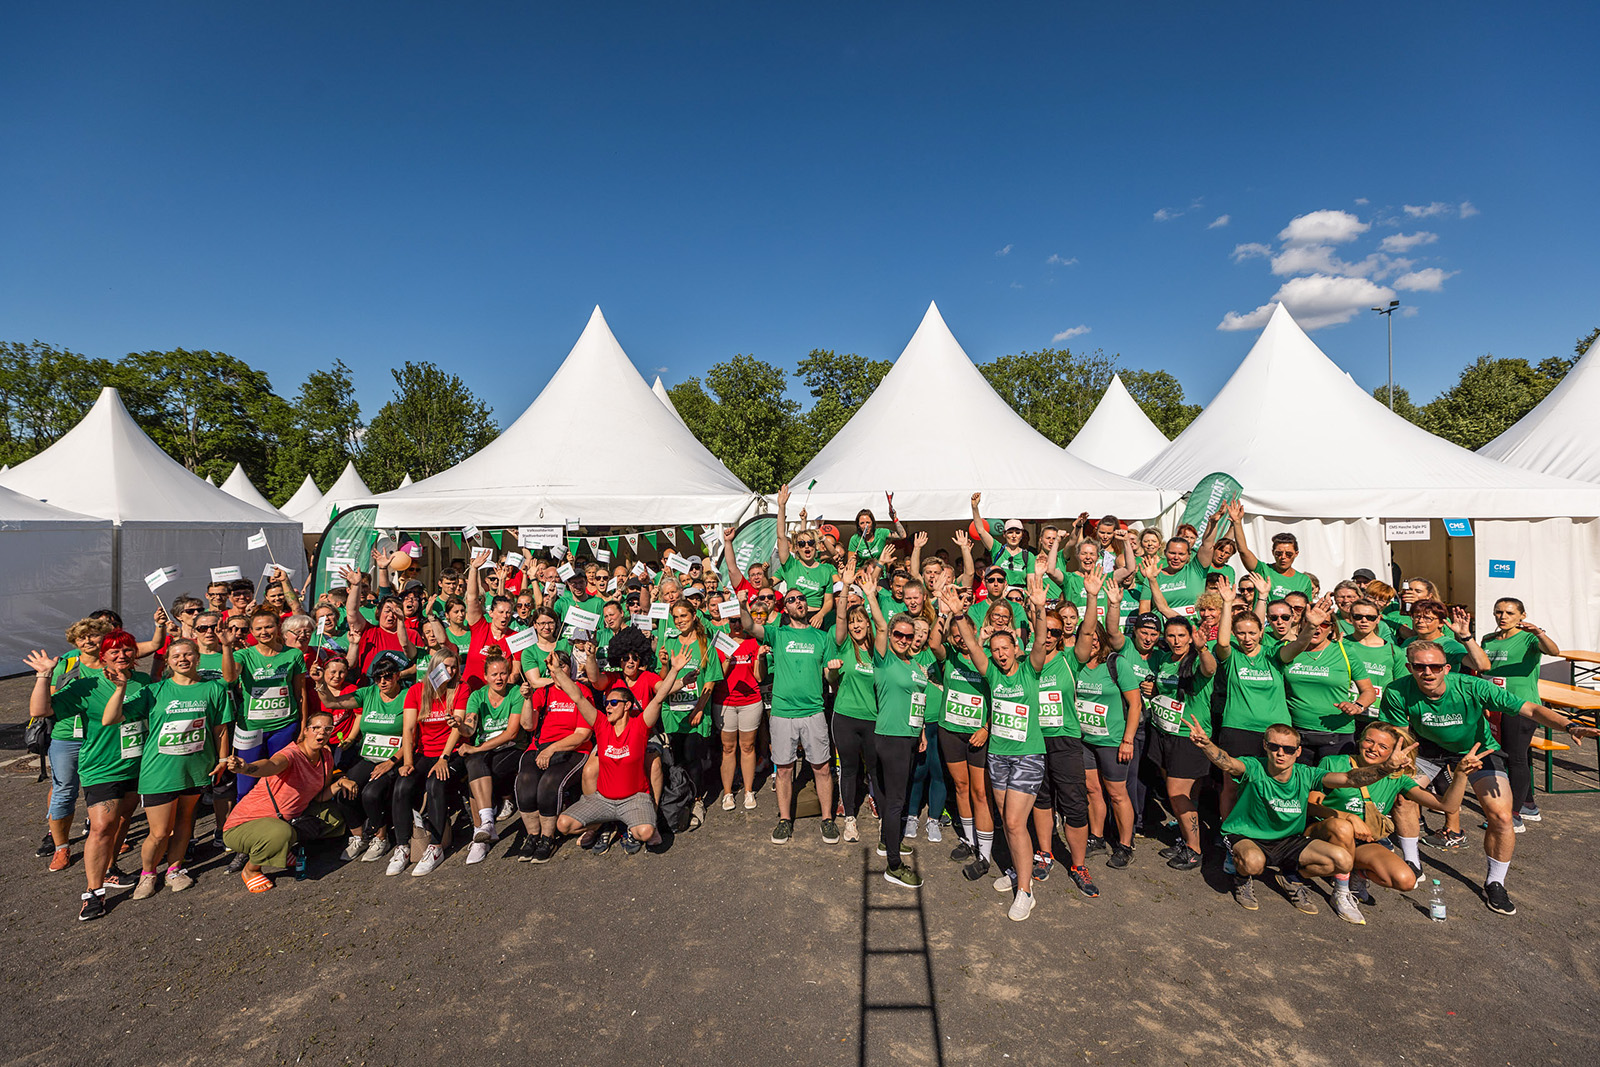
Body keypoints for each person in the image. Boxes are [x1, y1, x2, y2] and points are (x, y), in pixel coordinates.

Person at [1378, 640, 1598, 915]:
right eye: (1420, 667)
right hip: (1427, 750)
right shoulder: (1397, 691)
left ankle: (1495, 881)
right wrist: (1397, 769)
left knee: (1502, 817)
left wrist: (1569, 724)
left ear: (1446, 668)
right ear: (1410, 668)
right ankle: (1412, 862)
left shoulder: (1471, 686)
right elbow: (1402, 736)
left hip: (1477, 751)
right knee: (1402, 798)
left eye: (1435, 666)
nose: (1428, 673)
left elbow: (1529, 709)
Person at [1187, 715, 1413, 923]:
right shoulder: (1254, 766)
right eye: (1274, 746)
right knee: (1253, 863)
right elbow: (1227, 762)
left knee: (1343, 861)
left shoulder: (1306, 774)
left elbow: (1349, 779)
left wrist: (1386, 768)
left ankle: (1291, 876)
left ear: (1297, 751)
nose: (1280, 753)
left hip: (1288, 839)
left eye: (1287, 748)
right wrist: (1207, 745)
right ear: (1265, 746)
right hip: (1248, 835)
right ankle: (1242, 878)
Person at [938, 582, 1046, 921]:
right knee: (1008, 822)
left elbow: (1041, 641)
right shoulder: (992, 676)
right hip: (998, 756)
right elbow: (970, 643)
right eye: (995, 649)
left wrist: (1040, 610)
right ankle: (1017, 871)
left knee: (1014, 823)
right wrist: (959, 613)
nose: (999, 654)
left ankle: (1025, 892)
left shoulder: (1030, 669)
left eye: (1005, 648)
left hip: (1028, 756)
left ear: (1016, 648)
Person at [26, 631, 148, 921]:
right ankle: (93, 893)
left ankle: (111, 869)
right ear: (102, 655)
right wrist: (44, 676)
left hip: (137, 765)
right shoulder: (88, 685)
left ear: (136, 654)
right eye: (114, 651)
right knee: (101, 826)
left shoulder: (145, 683)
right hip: (102, 767)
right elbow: (40, 710)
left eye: (128, 650)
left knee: (122, 820)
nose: (122, 656)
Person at [1306, 722, 1483, 905]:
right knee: (1342, 827)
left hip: (1359, 843)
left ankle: (1356, 875)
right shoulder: (1334, 762)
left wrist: (1462, 774)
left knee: (1406, 880)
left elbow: (1447, 805)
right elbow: (1311, 806)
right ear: (1360, 741)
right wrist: (1348, 817)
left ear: (1393, 752)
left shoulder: (1397, 778)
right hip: (1322, 835)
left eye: (1383, 746)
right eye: (1369, 741)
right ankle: (1341, 893)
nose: (1373, 749)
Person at [112, 638, 233, 899]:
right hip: (160, 772)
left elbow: (220, 728)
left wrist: (222, 760)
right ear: (167, 661)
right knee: (159, 831)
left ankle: (175, 869)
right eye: (176, 655)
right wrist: (120, 688)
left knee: (184, 823)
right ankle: (148, 873)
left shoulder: (214, 688)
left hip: (198, 769)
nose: (183, 659)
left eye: (188, 654)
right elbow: (115, 717)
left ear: (197, 658)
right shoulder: (154, 691)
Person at [554, 648, 692, 852]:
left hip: (634, 799)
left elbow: (659, 697)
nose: (607, 707)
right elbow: (578, 698)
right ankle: (601, 824)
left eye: (613, 703)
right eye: (606, 703)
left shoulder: (640, 726)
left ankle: (632, 826)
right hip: (603, 800)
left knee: (645, 832)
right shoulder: (601, 724)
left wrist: (674, 670)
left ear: (627, 706)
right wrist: (557, 671)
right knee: (563, 825)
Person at [738, 576, 838, 845]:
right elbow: (749, 625)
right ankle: (784, 819)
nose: (798, 602)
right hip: (782, 712)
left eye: (802, 598)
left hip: (814, 710)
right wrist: (742, 606)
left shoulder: (821, 636)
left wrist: (834, 671)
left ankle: (827, 819)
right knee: (783, 769)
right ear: (786, 609)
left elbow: (829, 677)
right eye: (792, 599)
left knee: (822, 767)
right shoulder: (778, 633)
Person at [221, 711, 357, 893]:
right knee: (281, 833)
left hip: (285, 819)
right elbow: (271, 765)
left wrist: (340, 782)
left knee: (334, 818)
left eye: (327, 729)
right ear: (306, 731)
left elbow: (319, 796)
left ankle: (281, 850)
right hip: (243, 825)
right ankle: (251, 869)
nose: (321, 733)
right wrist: (246, 767)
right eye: (316, 728)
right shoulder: (291, 754)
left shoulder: (325, 754)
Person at [854, 567, 930, 888]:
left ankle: (889, 841)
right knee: (897, 799)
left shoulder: (916, 665)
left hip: (909, 737)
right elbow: (881, 627)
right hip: (890, 738)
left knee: (893, 796)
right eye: (898, 635)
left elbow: (918, 702)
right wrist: (872, 596)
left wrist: (922, 732)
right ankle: (894, 865)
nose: (901, 639)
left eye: (907, 636)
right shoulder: (885, 660)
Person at [1022, 576, 1097, 898]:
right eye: (1045, 630)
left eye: (1056, 631)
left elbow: (1089, 632)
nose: (1050, 636)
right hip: (1034, 740)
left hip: (1065, 740)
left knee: (1074, 805)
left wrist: (1092, 597)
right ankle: (1045, 852)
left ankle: (1078, 865)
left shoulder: (1071, 660)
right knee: (1041, 799)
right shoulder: (1028, 663)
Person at [1067, 569, 1141, 870]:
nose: (1093, 643)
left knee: (1117, 793)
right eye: (1089, 638)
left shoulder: (1117, 664)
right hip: (1086, 740)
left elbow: (1135, 705)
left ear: (1103, 640)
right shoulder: (1076, 664)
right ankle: (1096, 836)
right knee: (1093, 790)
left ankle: (1125, 843)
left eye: (1097, 638)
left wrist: (1127, 740)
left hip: (1113, 741)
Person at [313, 651, 410, 864]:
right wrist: (320, 683)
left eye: (388, 676)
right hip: (368, 756)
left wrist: (391, 762)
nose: (383, 682)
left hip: (394, 758)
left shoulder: (407, 696)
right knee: (344, 791)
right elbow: (332, 703)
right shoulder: (368, 693)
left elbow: (413, 736)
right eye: (378, 678)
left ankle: (381, 837)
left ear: (397, 676)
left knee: (371, 794)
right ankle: (358, 836)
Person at [32, 616, 113, 871]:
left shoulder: (115, 662)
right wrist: (45, 675)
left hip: (102, 736)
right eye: (82, 637)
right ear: (74, 641)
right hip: (67, 735)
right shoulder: (65, 663)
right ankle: (60, 847)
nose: (88, 640)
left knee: (103, 789)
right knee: (64, 792)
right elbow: (48, 705)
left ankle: (106, 835)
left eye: (93, 635)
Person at [929, 577, 996, 879]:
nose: (958, 639)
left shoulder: (988, 660)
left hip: (978, 735)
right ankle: (969, 840)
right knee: (961, 788)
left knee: (981, 793)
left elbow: (1004, 696)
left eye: (962, 633)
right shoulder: (951, 657)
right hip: (950, 730)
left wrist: (987, 726)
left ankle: (986, 851)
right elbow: (933, 643)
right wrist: (944, 613)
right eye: (954, 635)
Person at [1142, 616, 1217, 871]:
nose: (1176, 641)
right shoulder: (1165, 659)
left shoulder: (1197, 659)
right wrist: (1154, 691)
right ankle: (1186, 840)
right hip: (1164, 732)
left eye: (1181, 636)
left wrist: (1202, 648)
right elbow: (1166, 690)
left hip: (1190, 736)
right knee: (1188, 795)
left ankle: (1195, 850)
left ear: (1190, 636)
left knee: (1176, 793)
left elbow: (1210, 670)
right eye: (1171, 636)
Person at [513, 643, 596, 863]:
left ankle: (547, 838)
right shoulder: (544, 691)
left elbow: (582, 735)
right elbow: (528, 726)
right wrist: (528, 699)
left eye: (562, 666)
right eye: (553, 668)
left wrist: (552, 749)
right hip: (540, 746)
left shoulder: (582, 692)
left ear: (570, 669)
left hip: (571, 749)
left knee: (549, 782)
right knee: (526, 780)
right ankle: (532, 835)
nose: (558, 672)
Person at [1481, 598, 1561, 826]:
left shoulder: (1529, 638)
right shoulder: (1488, 639)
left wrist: (1539, 633)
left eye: (1509, 612)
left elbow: (1554, 651)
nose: (1502, 617)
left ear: (1522, 616)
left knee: (1514, 758)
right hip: (1496, 706)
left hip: (1522, 707)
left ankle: (1513, 816)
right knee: (1517, 756)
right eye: (1498, 612)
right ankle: (1528, 805)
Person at [226, 609, 307, 816]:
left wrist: (303, 726)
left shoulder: (294, 654)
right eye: (258, 628)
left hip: (284, 727)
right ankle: (243, 827)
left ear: (278, 627)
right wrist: (226, 646)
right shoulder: (243, 655)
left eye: (269, 626)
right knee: (245, 782)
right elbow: (229, 678)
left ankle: (278, 822)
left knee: (280, 779)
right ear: (251, 631)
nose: (264, 632)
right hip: (250, 729)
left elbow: (301, 694)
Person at [1277, 597, 1377, 763]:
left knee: (1333, 785)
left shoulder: (1345, 651)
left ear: (1331, 629)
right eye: (1312, 624)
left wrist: (1357, 706)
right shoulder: (1288, 649)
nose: (1317, 629)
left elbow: (1368, 691)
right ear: (1302, 624)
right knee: (1300, 784)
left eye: (1324, 624)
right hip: (1296, 732)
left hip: (1338, 732)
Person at [454, 651, 526, 862]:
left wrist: (477, 748)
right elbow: (469, 727)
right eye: (494, 674)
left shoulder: (515, 693)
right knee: (474, 766)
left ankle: (481, 834)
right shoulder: (477, 696)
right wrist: (461, 726)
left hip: (511, 748)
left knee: (476, 773)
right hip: (485, 750)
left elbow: (511, 733)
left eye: (503, 673)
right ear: (486, 676)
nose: (499, 678)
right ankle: (486, 826)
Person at [659, 602, 723, 828]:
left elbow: (711, 680)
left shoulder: (706, 644)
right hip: (672, 713)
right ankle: (679, 798)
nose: (679, 621)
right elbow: (663, 680)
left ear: (694, 615)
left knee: (692, 757)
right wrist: (666, 664)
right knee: (676, 760)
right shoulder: (670, 642)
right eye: (675, 617)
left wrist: (698, 709)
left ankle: (697, 801)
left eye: (683, 615)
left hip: (695, 712)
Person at [829, 590, 880, 843]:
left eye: (860, 620)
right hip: (845, 717)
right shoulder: (845, 644)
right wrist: (846, 585)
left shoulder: (878, 651)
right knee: (848, 769)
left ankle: (883, 818)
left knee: (875, 768)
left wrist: (870, 596)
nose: (855, 625)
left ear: (867, 623)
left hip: (873, 719)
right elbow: (839, 618)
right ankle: (850, 819)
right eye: (852, 622)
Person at [712, 601, 765, 812]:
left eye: (739, 620)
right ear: (727, 621)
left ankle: (749, 790)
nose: (736, 624)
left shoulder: (753, 642)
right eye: (732, 620)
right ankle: (727, 793)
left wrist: (760, 658)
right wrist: (726, 661)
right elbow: (716, 679)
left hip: (750, 701)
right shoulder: (719, 642)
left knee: (748, 747)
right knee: (727, 748)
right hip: (724, 701)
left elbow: (759, 677)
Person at [1226, 499, 1314, 604]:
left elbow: (1306, 608)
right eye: (1279, 553)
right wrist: (1237, 522)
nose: (1283, 557)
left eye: (1289, 554)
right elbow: (1243, 551)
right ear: (1273, 553)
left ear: (1296, 554)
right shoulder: (1263, 570)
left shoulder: (1304, 580)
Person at [774, 484, 837, 625]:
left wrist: (820, 615)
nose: (806, 546)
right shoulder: (791, 565)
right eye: (802, 544)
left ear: (816, 546)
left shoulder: (826, 570)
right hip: (792, 618)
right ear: (796, 549)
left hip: (815, 617)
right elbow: (781, 538)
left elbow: (828, 601)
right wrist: (782, 506)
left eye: (810, 543)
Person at [849, 497, 905, 565]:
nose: (865, 526)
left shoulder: (881, 533)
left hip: (880, 572)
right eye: (862, 523)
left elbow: (902, 535)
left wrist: (895, 519)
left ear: (872, 523)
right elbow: (850, 562)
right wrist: (853, 559)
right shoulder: (855, 539)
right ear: (858, 525)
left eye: (868, 522)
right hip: (864, 573)